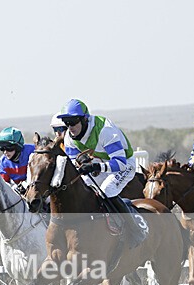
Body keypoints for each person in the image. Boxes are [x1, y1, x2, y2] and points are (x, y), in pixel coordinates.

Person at [57, 98, 145, 245]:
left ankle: (134, 229)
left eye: (73, 122)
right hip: (100, 163)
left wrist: (96, 167)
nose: (70, 127)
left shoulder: (105, 131)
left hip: (124, 164)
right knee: (85, 190)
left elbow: (120, 163)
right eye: (66, 122)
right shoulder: (69, 138)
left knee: (106, 190)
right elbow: (74, 163)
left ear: (84, 119)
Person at [0, 127, 35, 195]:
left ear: (18, 146)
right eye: (2, 148)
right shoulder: (3, 163)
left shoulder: (33, 151)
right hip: (20, 192)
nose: (5, 152)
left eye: (9, 148)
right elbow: (3, 185)